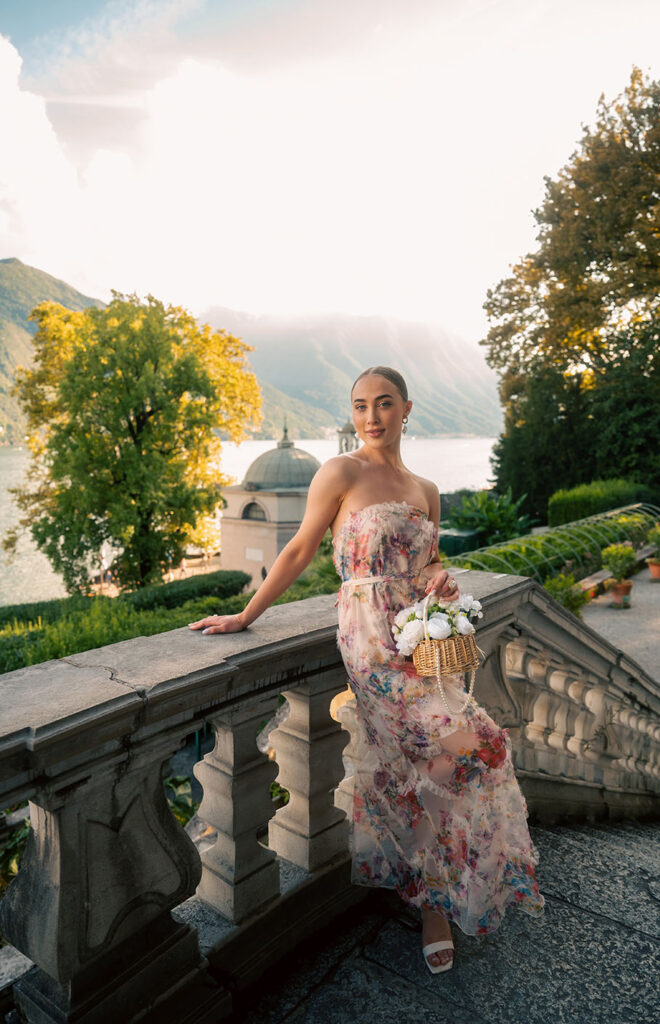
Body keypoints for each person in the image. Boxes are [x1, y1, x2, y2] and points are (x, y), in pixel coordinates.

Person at [189, 366, 545, 974]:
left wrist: (439, 579)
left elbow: (431, 560)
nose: (372, 416)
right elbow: (300, 547)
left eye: (384, 404)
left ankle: (428, 881)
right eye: (360, 405)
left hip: (419, 640)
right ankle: (433, 897)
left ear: (408, 408)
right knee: (453, 748)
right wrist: (246, 613)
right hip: (370, 640)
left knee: (474, 750)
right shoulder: (341, 472)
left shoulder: (425, 487)